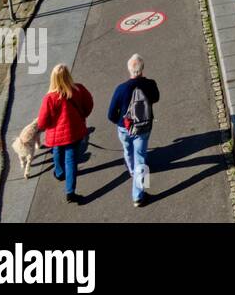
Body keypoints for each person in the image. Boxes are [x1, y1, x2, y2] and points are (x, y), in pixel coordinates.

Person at [106, 54, 160, 207]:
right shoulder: (150, 84)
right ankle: (138, 194)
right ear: (142, 69)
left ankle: (131, 172)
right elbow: (156, 98)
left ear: (129, 69)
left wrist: (121, 123)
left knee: (127, 150)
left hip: (124, 128)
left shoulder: (121, 89)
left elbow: (110, 114)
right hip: (143, 127)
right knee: (141, 157)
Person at [36, 64, 94, 204]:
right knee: (71, 160)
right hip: (74, 132)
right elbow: (89, 104)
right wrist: (82, 117)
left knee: (56, 150)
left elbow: (42, 122)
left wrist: (49, 126)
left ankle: (59, 172)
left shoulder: (49, 98)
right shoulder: (78, 89)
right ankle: (70, 192)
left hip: (56, 136)